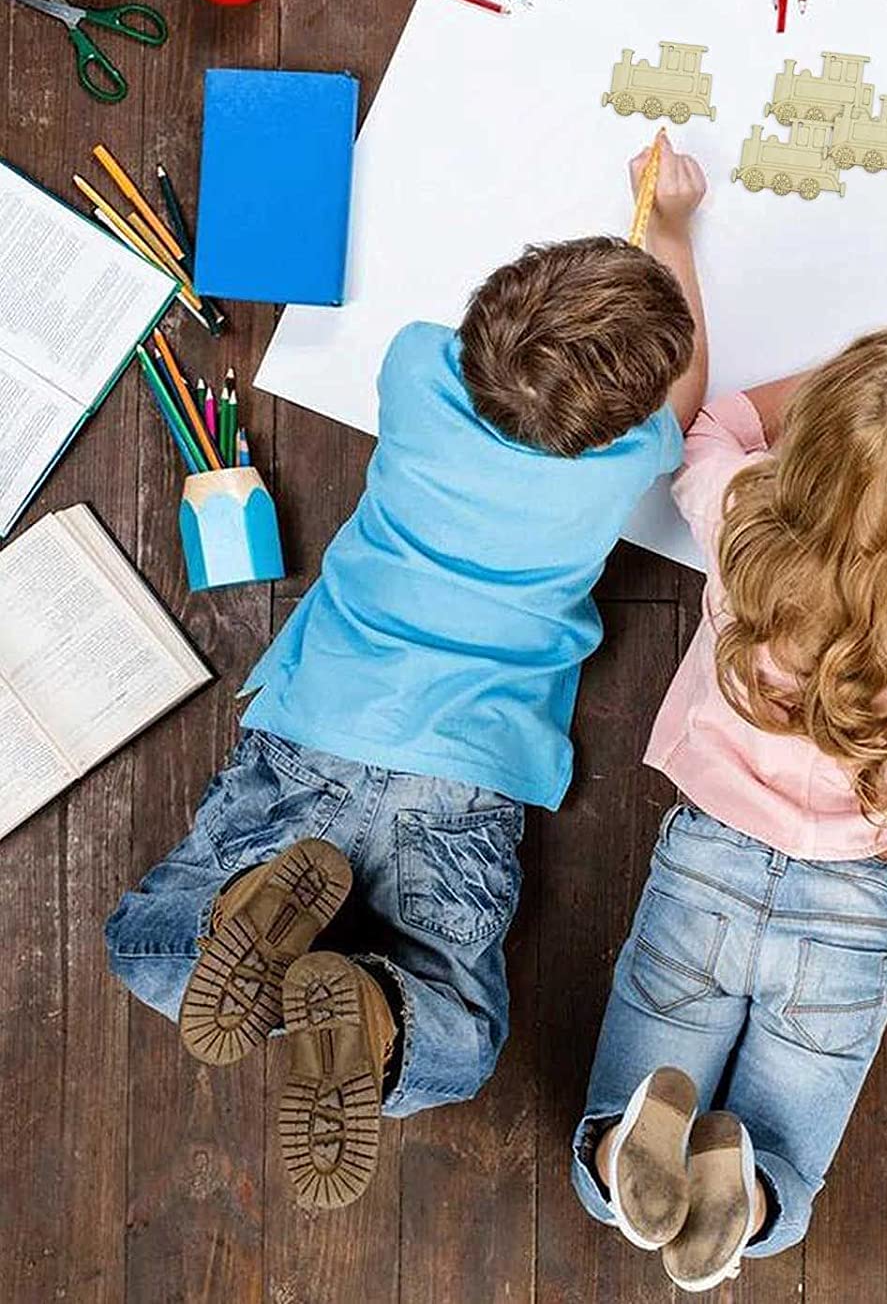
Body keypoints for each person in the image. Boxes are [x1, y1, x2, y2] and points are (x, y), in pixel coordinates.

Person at [105, 139, 709, 1210]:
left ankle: (300, 952)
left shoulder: (417, 365)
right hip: (464, 781)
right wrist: (670, 229)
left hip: (321, 727)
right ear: (621, 426)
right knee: (453, 1042)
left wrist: (619, 253)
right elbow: (690, 391)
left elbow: (539, 351)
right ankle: (369, 1010)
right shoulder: (630, 458)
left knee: (153, 948)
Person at [570, 279, 887, 1291]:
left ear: (810, 450)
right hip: (848, 899)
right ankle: (743, 1198)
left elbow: (712, 420)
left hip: (706, 867)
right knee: (788, 1159)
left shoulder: (746, 519)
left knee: (622, 1127)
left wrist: (864, 383)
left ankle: (630, 1158)